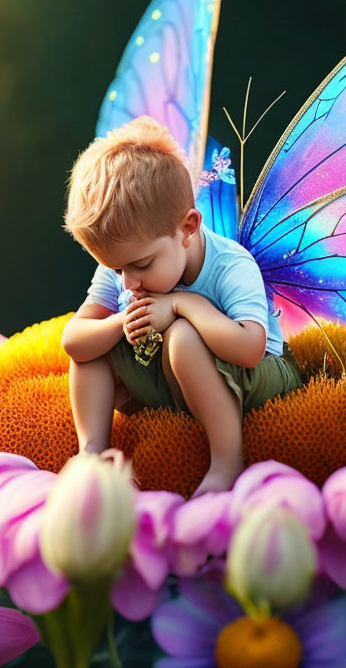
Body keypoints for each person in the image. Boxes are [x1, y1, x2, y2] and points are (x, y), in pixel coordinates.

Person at [61, 116, 302, 496]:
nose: (128, 282)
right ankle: (92, 451)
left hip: (256, 378)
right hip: (174, 384)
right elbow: (73, 340)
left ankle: (226, 463)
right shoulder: (127, 262)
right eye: (116, 268)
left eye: (141, 266)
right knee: (92, 349)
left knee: (182, 336)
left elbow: (251, 348)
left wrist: (182, 304)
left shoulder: (231, 264)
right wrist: (119, 322)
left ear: (188, 228)